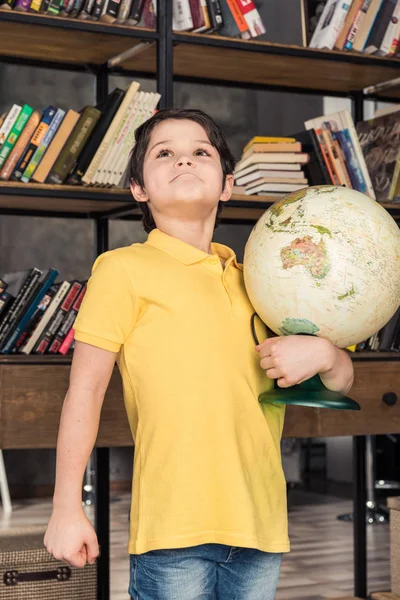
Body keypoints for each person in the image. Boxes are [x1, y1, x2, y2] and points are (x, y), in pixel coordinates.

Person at [44, 108, 354, 600]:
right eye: (164, 153)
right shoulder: (122, 270)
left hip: (260, 524)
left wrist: (325, 354)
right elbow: (84, 390)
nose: (184, 161)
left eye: (200, 152)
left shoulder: (263, 279)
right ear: (138, 189)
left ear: (228, 185)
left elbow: (340, 382)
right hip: (174, 527)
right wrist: (65, 506)